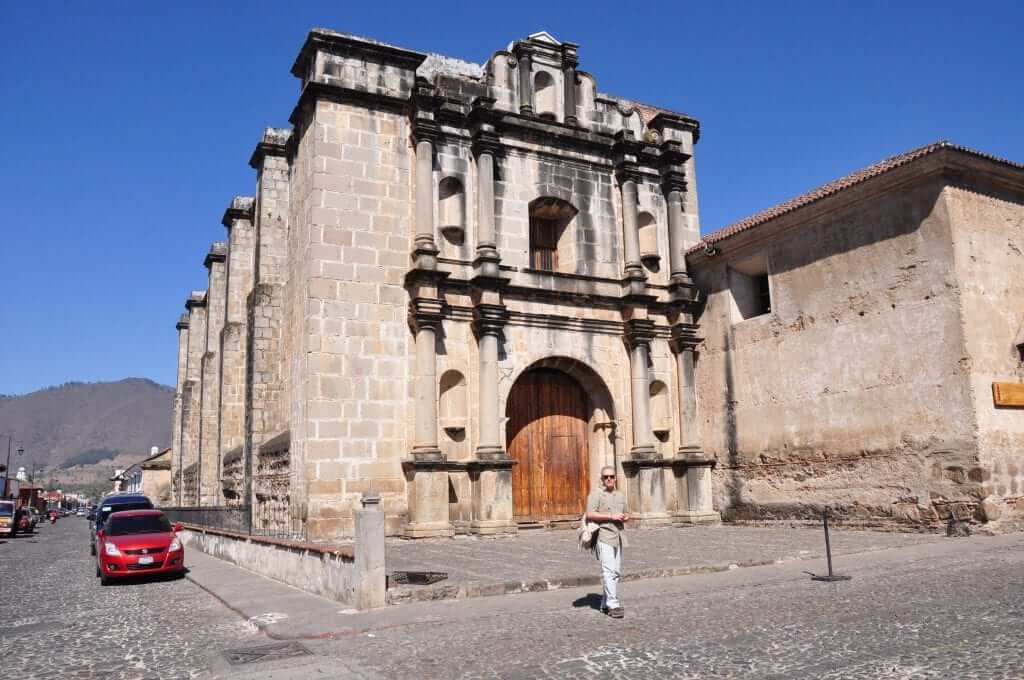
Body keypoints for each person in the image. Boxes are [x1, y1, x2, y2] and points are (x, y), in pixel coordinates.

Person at [585, 465, 629, 618]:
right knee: (608, 571)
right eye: (606, 477)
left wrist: (625, 517)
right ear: (602, 479)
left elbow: (626, 512)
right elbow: (590, 514)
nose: (609, 479)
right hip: (603, 536)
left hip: (619, 536)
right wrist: (611, 516)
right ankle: (613, 604)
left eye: (611, 476)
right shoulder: (596, 495)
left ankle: (604, 603)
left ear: (615, 478)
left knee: (616, 572)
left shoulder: (620, 495)